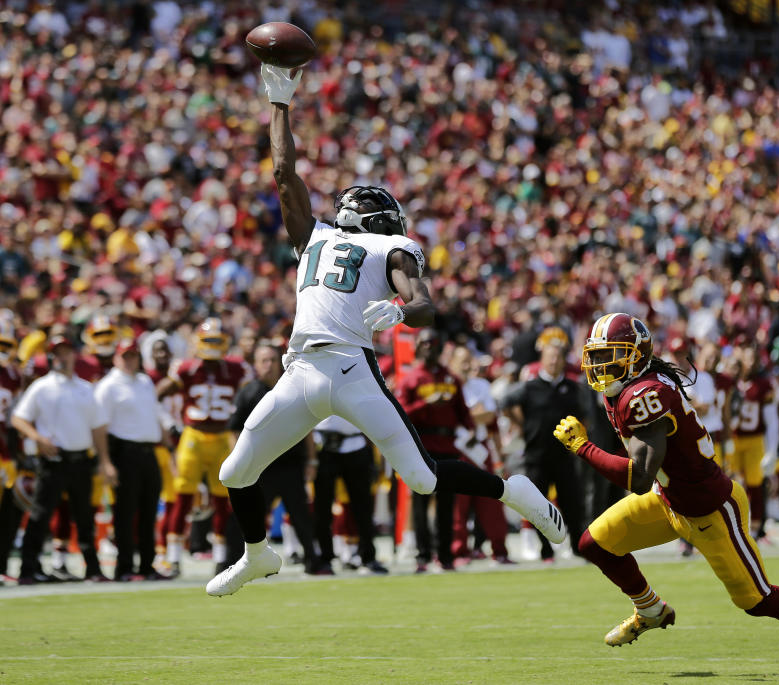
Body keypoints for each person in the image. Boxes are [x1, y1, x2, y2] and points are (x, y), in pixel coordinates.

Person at [206, 64, 565, 596]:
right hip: (302, 368)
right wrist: (278, 101)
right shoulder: (316, 236)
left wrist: (401, 311)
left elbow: (423, 304)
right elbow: (284, 173)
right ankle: (258, 555)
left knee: (420, 478)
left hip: (352, 367)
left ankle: (513, 491)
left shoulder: (386, 248)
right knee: (234, 472)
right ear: (379, 217)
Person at [552, 313, 779, 671]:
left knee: (756, 600)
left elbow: (640, 477)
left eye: (608, 354)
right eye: (595, 356)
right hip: (669, 499)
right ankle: (650, 609)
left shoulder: (647, 395)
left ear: (636, 356)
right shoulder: (630, 388)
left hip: (711, 511)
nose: (599, 365)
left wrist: (583, 447)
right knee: (594, 544)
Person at [11, 326, 118, 584]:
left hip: (81, 459)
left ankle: (92, 569)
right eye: (57, 353)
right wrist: (38, 438)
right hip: (53, 460)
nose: (62, 357)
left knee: (84, 517)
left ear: (74, 356)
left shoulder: (85, 388)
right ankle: (28, 568)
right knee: (40, 515)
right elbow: (18, 418)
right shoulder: (41, 386)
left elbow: (98, 427)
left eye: (66, 352)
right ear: (51, 357)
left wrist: (104, 461)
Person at [156, 318, 249, 575]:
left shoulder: (236, 368)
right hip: (193, 437)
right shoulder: (186, 368)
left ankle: (220, 559)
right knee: (182, 498)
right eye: (208, 340)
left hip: (222, 439)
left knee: (222, 501)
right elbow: (156, 394)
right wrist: (166, 420)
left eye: (216, 341)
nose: (212, 345)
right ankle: (173, 558)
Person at [227, 342, 324, 574]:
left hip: (291, 465)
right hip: (261, 468)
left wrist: (311, 460)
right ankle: (231, 562)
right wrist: (238, 462)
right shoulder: (248, 393)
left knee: (301, 516)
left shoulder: (291, 388)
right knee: (249, 516)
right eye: (264, 361)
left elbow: (307, 426)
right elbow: (233, 431)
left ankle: (314, 561)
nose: (269, 366)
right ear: (255, 365)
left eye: (272, 360)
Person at [500, 326, 587, 561]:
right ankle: (545, 549)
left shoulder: (571, 388)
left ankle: (578, 547)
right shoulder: (530, 386)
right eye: (550, 357)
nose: (554, 361)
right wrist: (522, 424)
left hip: (563, 454)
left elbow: (584, 415)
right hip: (536, 454)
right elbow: (505, 403)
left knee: (572, 502)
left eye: (558, 357)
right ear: (542, 359)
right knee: (538, 506)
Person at [396, 329, 479, 572]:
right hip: (421, 448)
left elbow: (463, 411)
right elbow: (400, 414)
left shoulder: (450, 378)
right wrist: (426, 404)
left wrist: (471, 429)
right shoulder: (411, 379)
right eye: (424, 343)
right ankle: (422, 555)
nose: (429, 347)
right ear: (418, 348)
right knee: (421, 503)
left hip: (447, 447)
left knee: (446, 504)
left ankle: (445, 556)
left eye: (433, 343)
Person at [93, 339, 167, 581]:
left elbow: (155, 416)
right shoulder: (108, 386)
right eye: (125, 356)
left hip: (148, 451)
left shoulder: (145, 381)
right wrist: (105, 461)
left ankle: (147, 565)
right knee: (125, 513)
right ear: (116, 358)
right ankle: (124, 567)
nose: (130, 360)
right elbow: (100, 427)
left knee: (148, 511)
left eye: (133, 355)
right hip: (124, 452)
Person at [447, 345, 512, 565]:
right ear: (452, 363)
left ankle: (499, 550)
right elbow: (452, 417)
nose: (466, 366)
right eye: (462, 361)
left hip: (479, 448)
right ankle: (459, 551)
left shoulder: (481, 384)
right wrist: (476, 413)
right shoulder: (448, 385)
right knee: (458, 504)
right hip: (456, 447)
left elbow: (489, 415)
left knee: (491, 499)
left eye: (468, 360)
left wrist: (469, 415)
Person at [312, 414, 386, 574]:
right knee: (322, 507)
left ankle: (368, 556)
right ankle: (325, 558)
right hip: (323, 444)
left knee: (364, 507)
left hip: (356, 443)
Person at [729, 345, 779, 540]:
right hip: (733, 439)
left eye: (755, 359)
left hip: (754, 440)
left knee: (756, 485)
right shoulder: (730, 382)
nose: (752, 363)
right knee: (731, 485)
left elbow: (772, 420)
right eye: (749, 358)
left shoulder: (764, 385)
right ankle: (733, 528)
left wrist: (772, 449)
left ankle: (756, 530)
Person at [146, 336, 182, 573]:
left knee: (174, 500)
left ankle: (166, 551)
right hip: (155, 446)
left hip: (179, 446)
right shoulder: (146, 379)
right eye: (157, 351)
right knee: (150, 502)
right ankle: (154, 550)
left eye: (165, 350)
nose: (162, 355)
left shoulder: (181, 376)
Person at [0, 315, 23, 581]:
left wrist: (17, 455)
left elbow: (15, 420)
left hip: (6, 452)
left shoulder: (12, 375)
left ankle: (2, 565)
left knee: (8, 511)